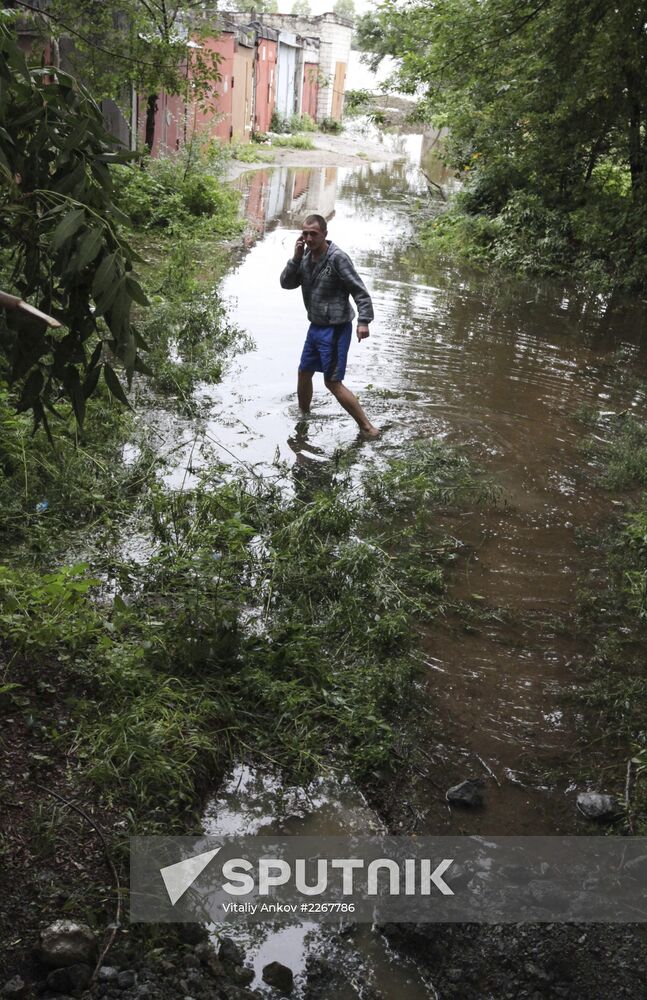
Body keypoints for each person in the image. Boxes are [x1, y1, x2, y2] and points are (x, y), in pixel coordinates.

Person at [280, 214, 380, 439]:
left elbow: (359, 291)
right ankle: (304, 416)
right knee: (304, 373)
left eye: (313, 234)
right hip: (315, 327)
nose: (308, 238)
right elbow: (286, 283)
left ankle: (368, 428)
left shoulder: (337, 259)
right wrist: (295, 258)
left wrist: (363, 321)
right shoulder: (304, 257)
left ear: (324, 234)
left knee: (332, 382)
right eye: (305, 234)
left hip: (336, 329)